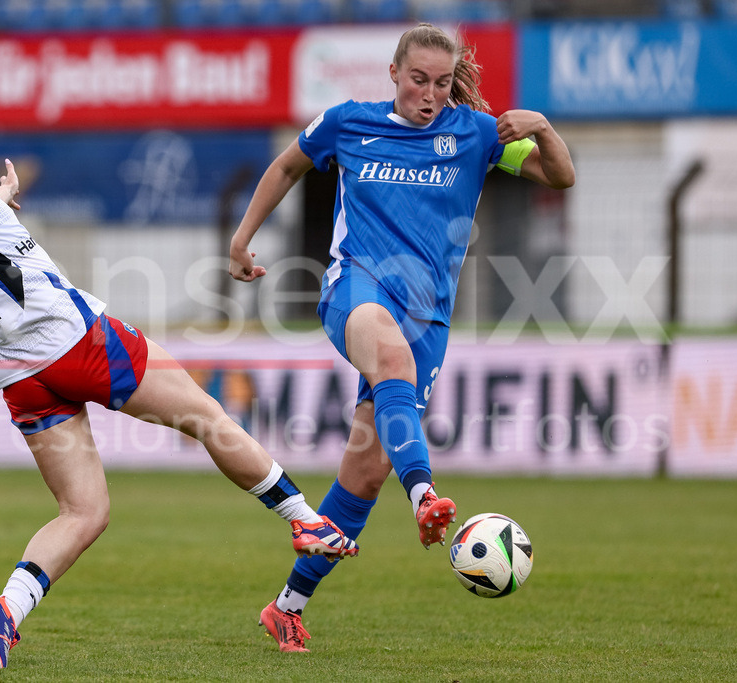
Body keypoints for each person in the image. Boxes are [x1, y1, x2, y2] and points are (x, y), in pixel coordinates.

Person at [0, 94, 359, 669]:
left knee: (84, 511)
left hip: (21, 375)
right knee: (208, 417)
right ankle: (305, 520)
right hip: (76, 343)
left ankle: (5, 611)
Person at [229, 23, 575, 652]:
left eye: (443, 83)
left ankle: (287, 606)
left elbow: (560, 178)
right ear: (394, 73)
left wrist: (544, 129)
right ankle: (425, 497)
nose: (431, 94)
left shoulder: (474, 134)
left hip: (429, 321)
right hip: (354, 289)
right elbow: (286, 165)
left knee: (365, 471)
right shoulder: (348, 122)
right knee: (386, 356)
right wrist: (240, 238)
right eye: (419, 79)